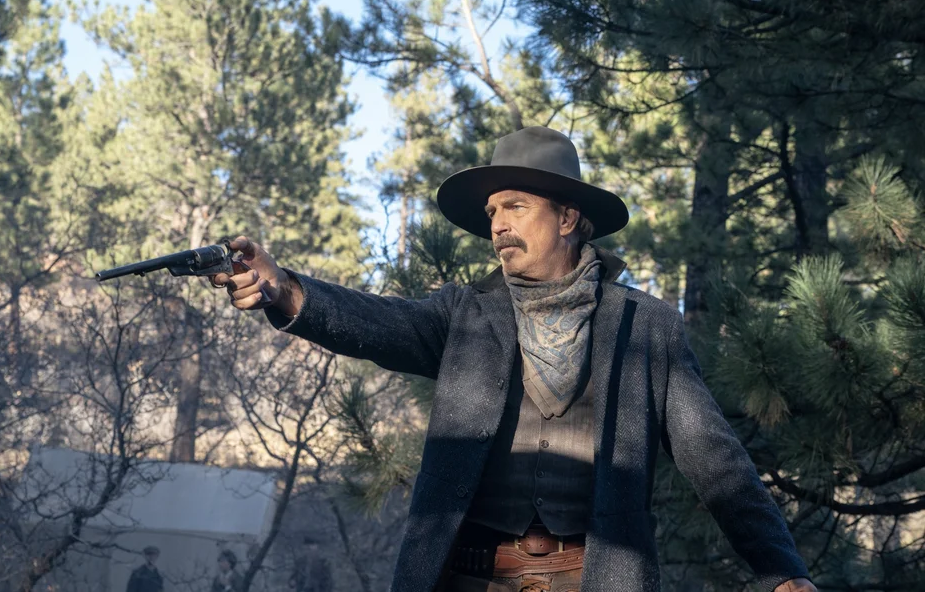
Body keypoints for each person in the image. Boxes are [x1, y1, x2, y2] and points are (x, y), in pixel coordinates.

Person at [212, 127, 817, 592]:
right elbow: (376, 323)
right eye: (492, 213)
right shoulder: (464, 314)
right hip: (468, 579)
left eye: (515, 207)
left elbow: (715, 460)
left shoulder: (646, 326)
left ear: (568, 217)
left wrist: (781, 570)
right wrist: (284, 289)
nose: (497, 225)